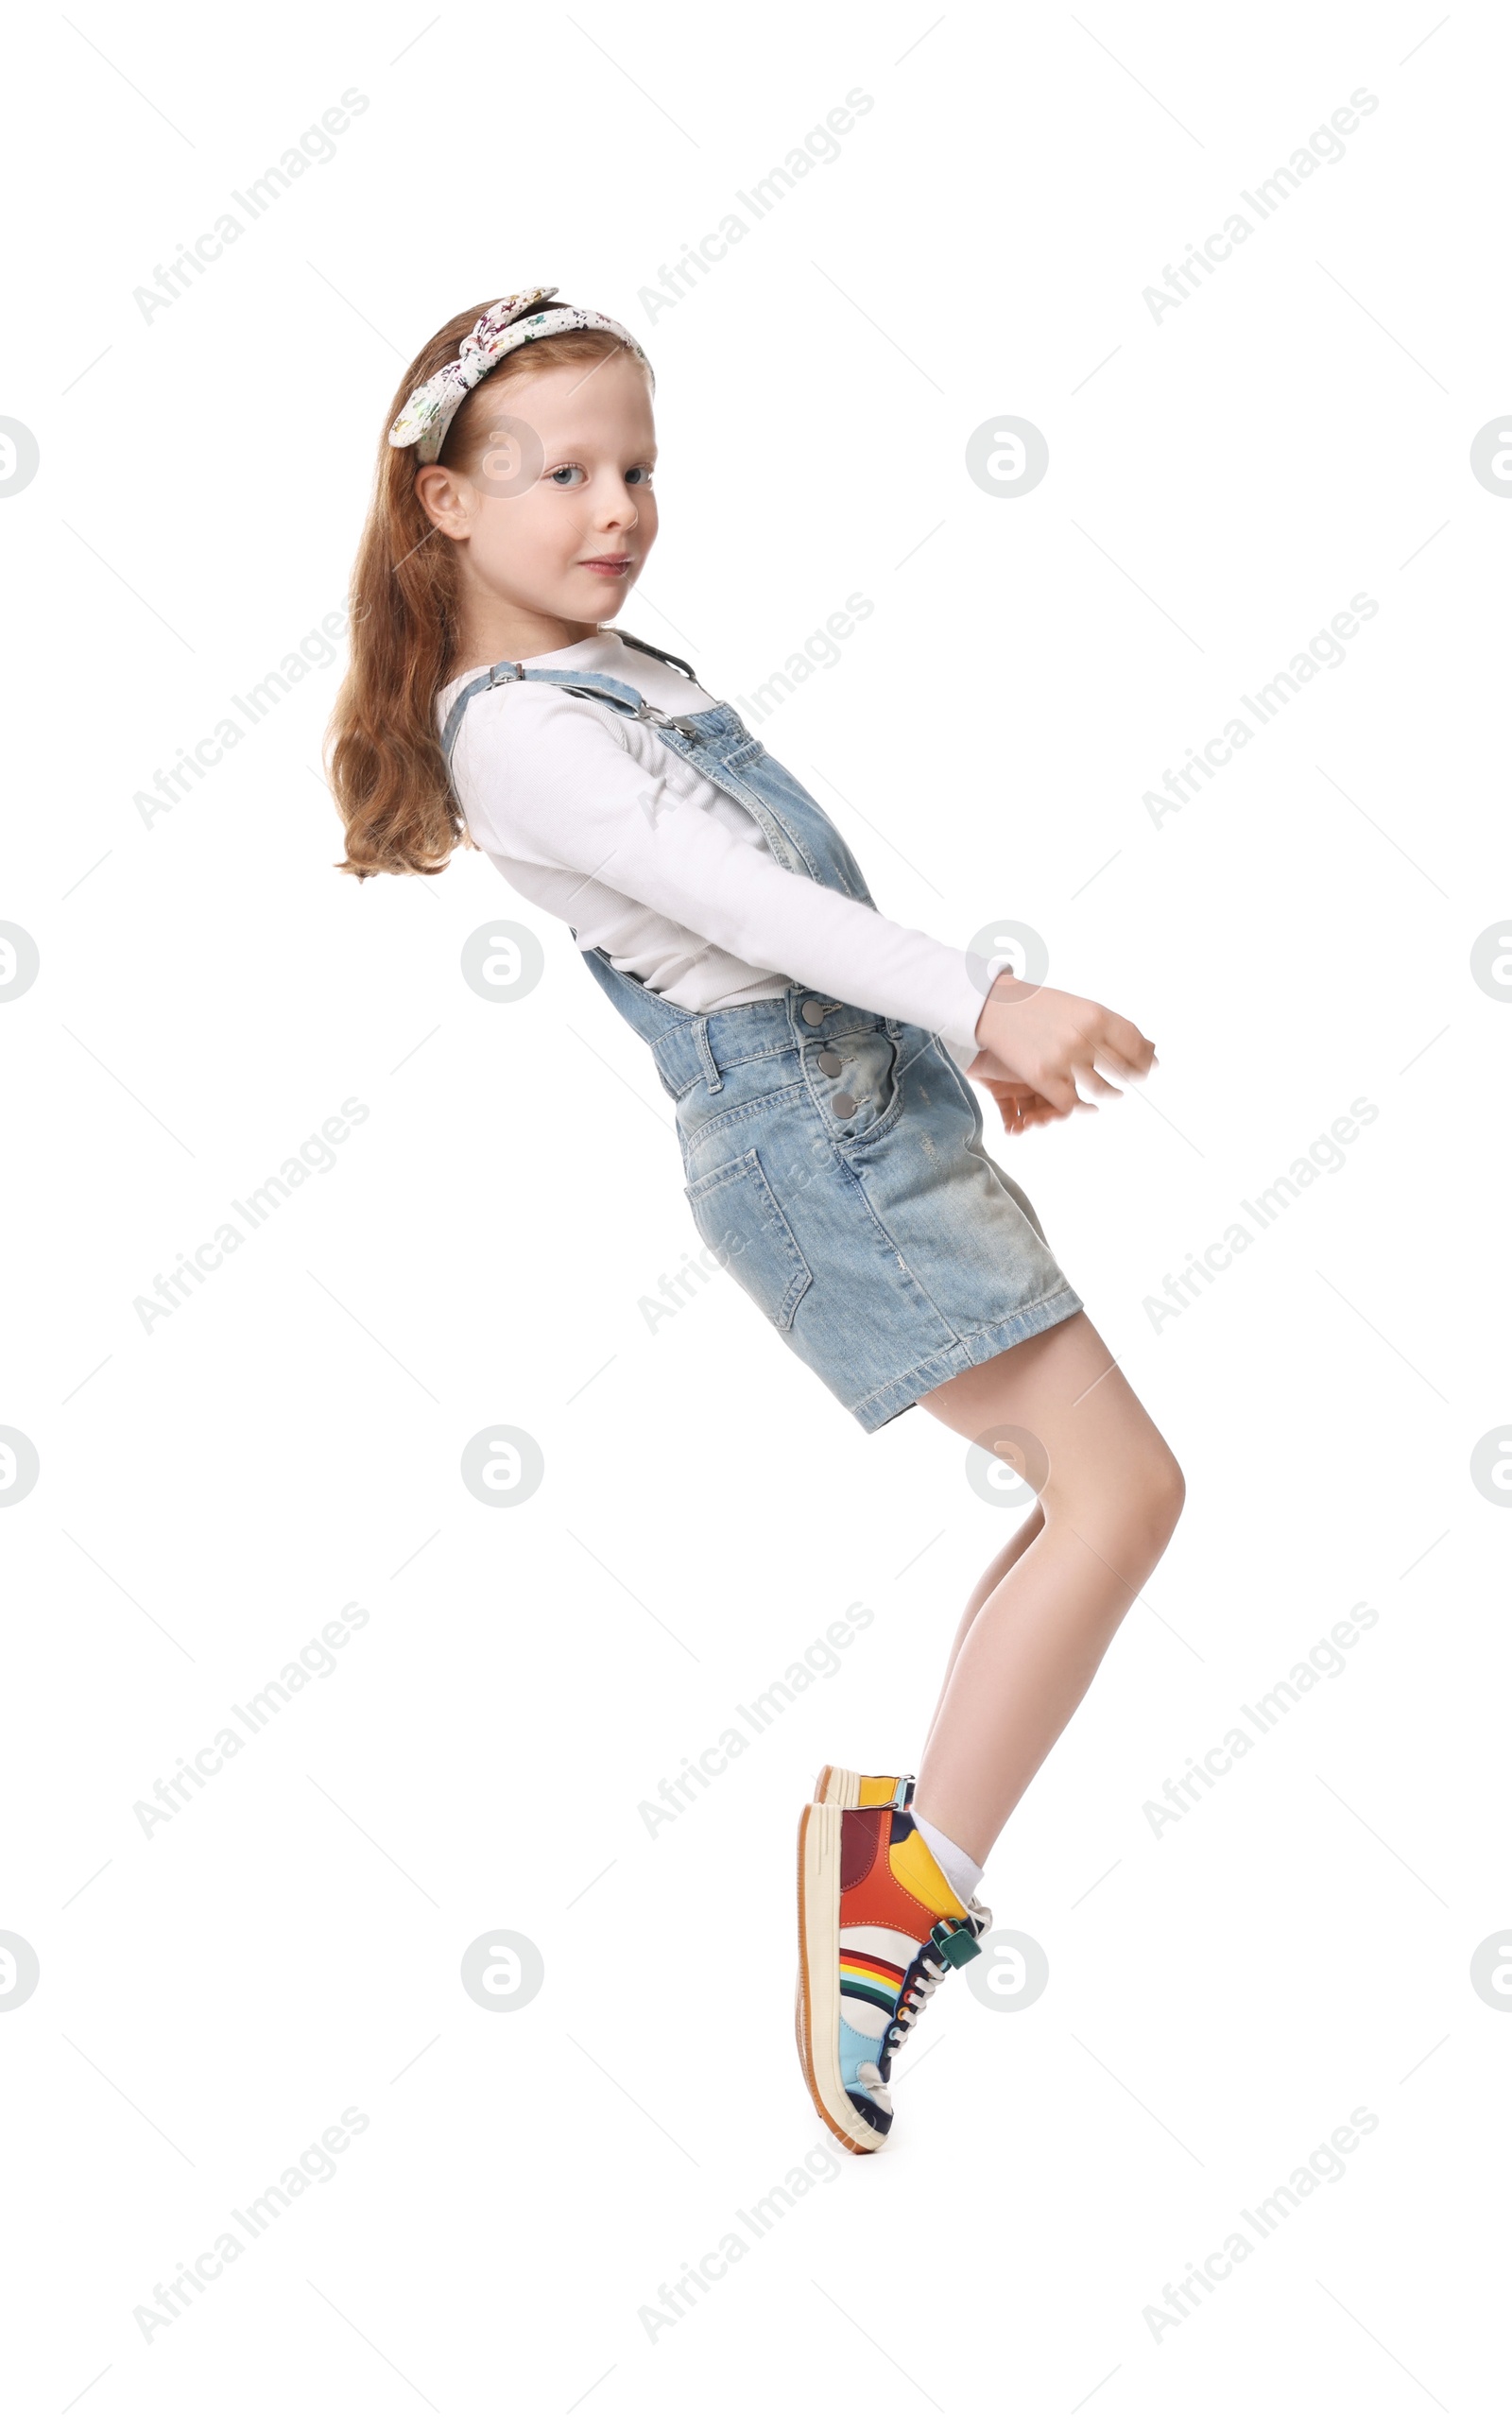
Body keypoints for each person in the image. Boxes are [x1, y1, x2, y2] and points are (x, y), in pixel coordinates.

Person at [327, 288, 1185, 2156]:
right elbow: (754, 911)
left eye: (634, 463)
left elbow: (775, 909)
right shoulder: (521, 732)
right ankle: (901, 1890)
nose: (613, 502)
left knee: (1088, 1490)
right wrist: (985, 1000)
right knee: (1119, 1493)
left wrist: (956, 1043)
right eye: (559, 470)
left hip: (855, 1108)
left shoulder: (624, 672)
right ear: (448, 506)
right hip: (816, 1140)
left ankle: (907, 1857)